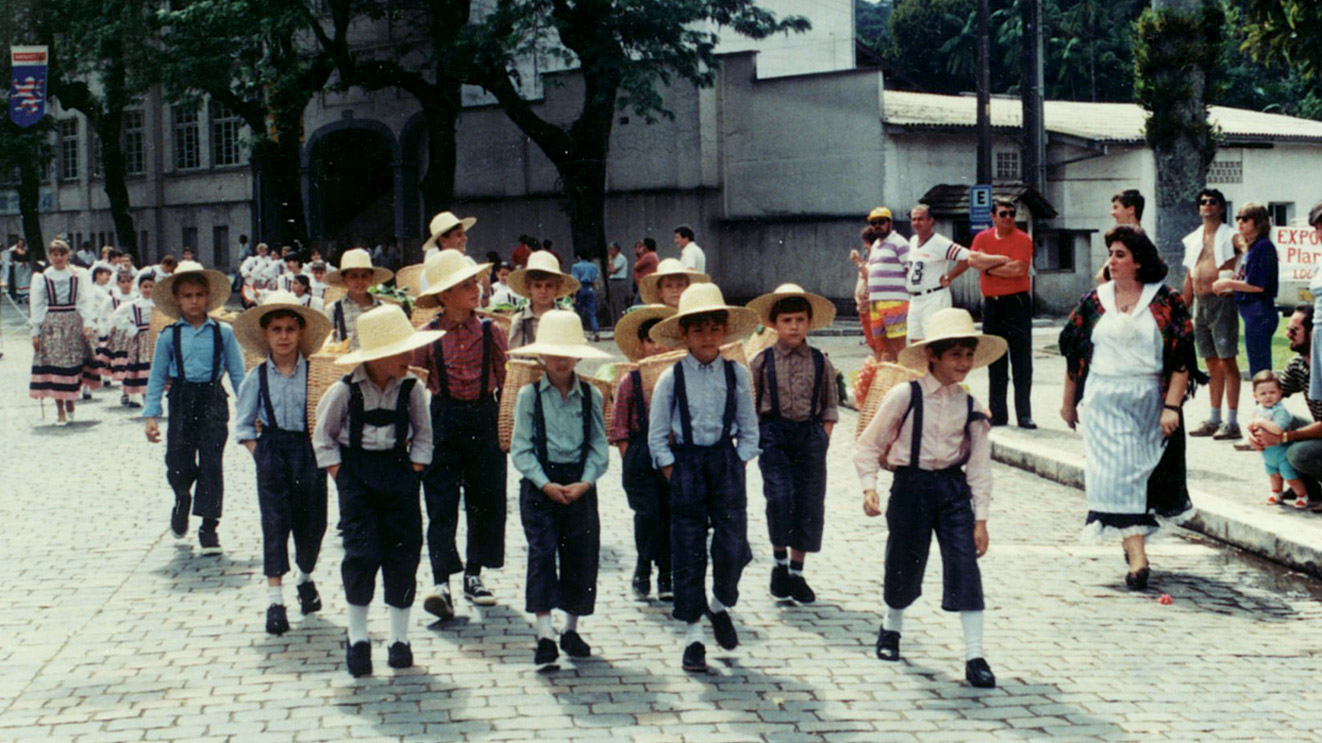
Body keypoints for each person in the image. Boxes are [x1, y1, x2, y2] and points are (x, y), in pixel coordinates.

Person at [855, 307, 1002, 689]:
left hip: (952, 492)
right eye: (956, 355)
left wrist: (981, 519)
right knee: (903, 562)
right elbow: (867, 445)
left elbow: (980, 467)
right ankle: (891, 628)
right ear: (932, 355)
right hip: (910, 487)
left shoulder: (971, 406)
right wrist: (869, 486)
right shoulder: (905, 395)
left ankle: (975, 655)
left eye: (969, 355)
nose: (964, 363)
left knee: (965, 565)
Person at [1058, 227, 1199, 590]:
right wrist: (1068, 400)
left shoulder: (1165, 300)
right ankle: (1138, 558)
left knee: (1139, 476)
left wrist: (1172, 407)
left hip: (1149, 399)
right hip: (1104, 398)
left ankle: (1133, 543)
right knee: (1117, 476)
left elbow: (1182, 359)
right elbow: (1075, 352)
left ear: (1139, 261)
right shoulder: (1095, 300)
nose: (1112, 262)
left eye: (1120, 254)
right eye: (1111, 254)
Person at [312, 305, 438, 676]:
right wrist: (341, 476)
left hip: (398, 474)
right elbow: (324, 438)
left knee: (403, 553)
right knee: (362, 554)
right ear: (378, 356)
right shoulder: (344, 391)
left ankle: (399, 638)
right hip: (358, 476)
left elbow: (424, 434)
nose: (409, 358)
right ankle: (358, 637)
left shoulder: (412, 389)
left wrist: (415, 468)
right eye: (401, 352)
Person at [648, 283, 760, 672]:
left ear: (725, 331)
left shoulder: (737, 374)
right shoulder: (670, 377)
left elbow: (750, 428)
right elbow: (657, 434)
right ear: (685, 334)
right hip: (688, 465)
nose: (707, 337)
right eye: (699, 330)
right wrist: (671, 469)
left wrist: (738, 460)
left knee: (733, 547)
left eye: (714, 328)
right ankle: (693, 636)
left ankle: (720, 604)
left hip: (725, 463)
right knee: (688, 550)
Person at [510, 310, 611, 668]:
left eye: (568, 352)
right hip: (542, 485)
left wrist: (586, 480)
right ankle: (544, 634)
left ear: (579, 355)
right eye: (554, 353)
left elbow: (600, 443)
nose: (561, 360)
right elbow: (520, 447)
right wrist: (544, 482)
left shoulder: (591, 395)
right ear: (541, 356)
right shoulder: (529, 396)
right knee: (542, 553)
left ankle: (570, 628)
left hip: (580, 482)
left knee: (581, 553)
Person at [411, 251, 510, 619]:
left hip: (484, 418)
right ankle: (441, 580)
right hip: (444, 420)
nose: (477, 289)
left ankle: (474, 573)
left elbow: (508, 379)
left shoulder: (492, 331)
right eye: (466, 285)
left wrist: (507, 427)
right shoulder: (427, 336)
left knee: (485, 499)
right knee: (440, 501)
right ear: (444, 296)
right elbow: (412, 384)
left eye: (476, 282)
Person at [234, 292, 333, 635]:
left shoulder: (316, 374)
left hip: (309, 451)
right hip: (274, 451)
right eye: (276, 329)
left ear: (301, 332)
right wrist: (259, 453)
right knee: (275, 525)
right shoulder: (257, 377)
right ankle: (275, 601)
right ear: (265, 335)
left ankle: (305, 576)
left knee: (313, 524)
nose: (284, 336)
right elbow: (244, 423)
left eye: (291, 328)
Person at [142, 261, 244, 555]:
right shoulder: (169, 336)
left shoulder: (222, 333)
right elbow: (157, 377)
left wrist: (251, 411)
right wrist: (151, 416)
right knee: (178, 460)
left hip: (212, 400)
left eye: (199, 295)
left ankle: (209, 526)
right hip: (181, 400)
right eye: (187, 295)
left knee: (212, 463)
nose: (194, 301)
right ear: (177, 299)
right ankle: (182, 496)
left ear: (208, 297)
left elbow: (238, 375)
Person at [747, 284, 838, 604]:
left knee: (809, 503)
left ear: (809, 323)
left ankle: (797, 573)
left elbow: (829, 405)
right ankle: (779, 562)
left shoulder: (820, 361)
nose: (794, 326)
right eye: (787, 320)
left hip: (810, 437)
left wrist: (822, 438)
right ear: (774, 324)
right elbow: (750, 404)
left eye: (800, 319)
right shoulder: (762, 360)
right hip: (774, 436)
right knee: (780, 496)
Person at [609, 304, 677, 601]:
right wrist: (631, 459)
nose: (656, 345)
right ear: (641, 345)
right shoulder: (630, 380)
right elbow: (619, 426)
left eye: (661, 338)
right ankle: (643, 564)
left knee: (670, 514)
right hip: (639, 453)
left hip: (674, 456)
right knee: (647, 513)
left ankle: (666, 572)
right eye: (650, 340)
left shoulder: (679, 378)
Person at [1182, 189, 1242, 441]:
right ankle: (1214, 418)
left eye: (1212, 202)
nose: (1207, 206)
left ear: (1220, 207)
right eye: (1203, 202)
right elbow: (1189, 274)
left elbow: (1250, 250)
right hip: (1200, 302)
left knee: (1227, 360)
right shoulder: (1194, 238)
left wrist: (1239, 280)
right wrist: (1181, 308)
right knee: (1210, 361)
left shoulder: (1231, 236)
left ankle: (1231, 421)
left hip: (1222, 301)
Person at [973, 198, 1035, 429]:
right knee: (995, 359)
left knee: (1021, 361)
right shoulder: (982, 238)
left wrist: (988, 267)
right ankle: (998, 414)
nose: (1008, 218)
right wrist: (999, 263)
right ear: (993, 216)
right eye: (1003, 214)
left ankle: (1024, 414)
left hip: (1017, 303)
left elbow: (1018, 269)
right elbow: (973, 260)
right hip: (992, 305)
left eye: (1011, 213)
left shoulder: (1023, 239)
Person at [905, 204, 1008, 342]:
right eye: (914, 219)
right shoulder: (912, 241)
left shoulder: (939, 242)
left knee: (935, 341)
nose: (916, 223)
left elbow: (967, 258)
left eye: (920, 219)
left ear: (931, 221)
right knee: (915, 344)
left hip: (933, 298)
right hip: (915, 300)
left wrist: (950, 275)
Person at [28, 239, 100, 424]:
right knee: (55, 365)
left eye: (62, 254)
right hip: (52, 323)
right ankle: (60, 408)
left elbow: (86, 299)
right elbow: (36, 304)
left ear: (68, 255)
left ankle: (70, 400)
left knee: (72, 364)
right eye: (54, 255)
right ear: (50, 256)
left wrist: (88, 322)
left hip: (73, 322)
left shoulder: (78, 275)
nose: (58, 258)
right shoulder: (42, 277)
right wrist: (35, 330)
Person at [1213, 203, 1278, 377]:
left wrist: (1229, 283)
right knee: (1256, 364)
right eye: (1238, 218)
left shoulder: (1263, 247)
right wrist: (1233, 286)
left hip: (1260, 311)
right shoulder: (1253, 248)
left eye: (1245, 219)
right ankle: (1263, 400)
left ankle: (1267, 401)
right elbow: (1250, 283)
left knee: (1260, 367)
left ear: (1258, 222)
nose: (1240, 222)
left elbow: (1258, 286)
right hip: (1252, 311)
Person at [1245, 372, 1308, 508]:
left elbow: (1278, 429)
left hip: (1282, 452)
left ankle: (1302, 495)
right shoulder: (1258, 410)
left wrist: (1260, 422)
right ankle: (1276, 493)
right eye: (1263, 394)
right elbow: (1251, 425)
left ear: (1280, 393)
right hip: (1267, 453)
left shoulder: (1281, 412)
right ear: (1255, 396)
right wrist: (1252, 434)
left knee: (1290, 477)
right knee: (1273, 475)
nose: (1268, 396)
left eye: (1272, 392)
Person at [865, 207, 911, 363]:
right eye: (874, 223)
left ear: (890, 223)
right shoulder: (876, 246)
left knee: (899, 345)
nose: (877, 225)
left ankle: (906, 378)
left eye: (881, 222)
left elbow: (910, 270)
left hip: (895, 301)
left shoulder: (899, 242)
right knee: (884, 346)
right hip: (876, 302)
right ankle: (894, 379)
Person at [507, 250, 580, 349]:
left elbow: (578, 350)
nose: (543, 291)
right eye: (537, 286)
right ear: (529, 287)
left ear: (557, 287)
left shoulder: (567, 316)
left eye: (549, 286)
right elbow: (514, 355)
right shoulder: (520, 321)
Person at [324, 248, 392, 350]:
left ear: (371, 278)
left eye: (364, 276)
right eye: (353, 276)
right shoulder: (333, 310)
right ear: (344, 280)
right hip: (347, 365)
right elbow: (327, 343)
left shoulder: (383, 309)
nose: (360, 281)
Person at [111, 273, 156, 407]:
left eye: (151, 286)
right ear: (139, 288)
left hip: (156, 338)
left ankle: (155, 401)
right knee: (143, 369)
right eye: (145, 286)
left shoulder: (159, 303)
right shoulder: (133, 304)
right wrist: (130, 326)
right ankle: (146, 401)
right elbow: (116, 316)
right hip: (141, 340)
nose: (148, 289)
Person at [638, 258, 709, 309]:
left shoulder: (694, 314)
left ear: (687, 289)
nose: (675, 290)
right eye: (668, 286)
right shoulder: (654, 317)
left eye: (680, 285)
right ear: (660, 292)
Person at [570, 250, 601, 341]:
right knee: (592, 312)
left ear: (579, 257)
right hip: (590, 288)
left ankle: (579, 332)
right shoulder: (593, 266)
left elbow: (575, 281)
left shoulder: (575, 266)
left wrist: (574, 295)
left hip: (580, 288)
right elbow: (595, 279)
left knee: (578, 312)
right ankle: (596, 331)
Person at [607, 242, 630, 324]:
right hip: (613, 281)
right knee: (613, 304)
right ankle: (616, 323)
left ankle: (622, 323)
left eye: (611, 249)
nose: (609, 251)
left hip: (619, 281)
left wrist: (610, 261)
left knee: (619, 304)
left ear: (616, 249)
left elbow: (613, 270)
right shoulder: (614, 258)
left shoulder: (621, 258)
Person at [634, 238, 660, 304]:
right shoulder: (652, 255)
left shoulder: (649, 255)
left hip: (646, 285)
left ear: (646, 246)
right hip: (645, 284)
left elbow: (636, 266)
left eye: (643, 246)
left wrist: (640, 254)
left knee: (638, 303)